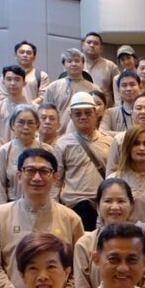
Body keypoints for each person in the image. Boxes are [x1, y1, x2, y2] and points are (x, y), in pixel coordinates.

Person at [0, 148, 84, 288]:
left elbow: (78, 268)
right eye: (30, 171)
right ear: (19, 176)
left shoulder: (71, 219)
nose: (37, 177)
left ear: (55, 177)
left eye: (44, 171)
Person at [54, 91, 112, 230]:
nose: (83, 117)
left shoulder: (110, 142)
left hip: (101, 206)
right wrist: (54, 208)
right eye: (78, 114)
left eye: (88, 113)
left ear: (96, 113)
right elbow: (56, 181)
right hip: (72, 206)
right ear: (71, 116)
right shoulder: (62, 144)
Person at [72, 179, 138, 288]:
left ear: (131, 206)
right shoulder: (84, 244)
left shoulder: (144, 242)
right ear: (98, 207)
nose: (115, 207)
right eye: (108, 201)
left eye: (121, 201)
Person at [0, 106, 46, 205]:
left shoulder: (46, 150)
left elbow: (52, 183)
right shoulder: (4, 151)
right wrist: (1, 210)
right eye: (21, 122)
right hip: (12, 205)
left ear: (37, 125)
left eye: (30, 123)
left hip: (40, 205)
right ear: (13, 124)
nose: (25, 127)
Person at [43, 48, 98, 127]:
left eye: (77, 61)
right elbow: (45, 112)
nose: (73, 64)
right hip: (59, 132)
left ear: (83, 64)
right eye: (69, 61)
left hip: (86, 131)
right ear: (64, 65)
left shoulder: (94, 88)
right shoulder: (53, 87)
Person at [0, 65, 35, 143]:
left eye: (17, 79)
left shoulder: (34, 108)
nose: (12, 83)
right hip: (2, 149)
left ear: (24, 83)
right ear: (3, 82)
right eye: (9, 79)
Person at [81, 32, 119, 105]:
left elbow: (118, 91)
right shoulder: (75, 65)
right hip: (81, 108)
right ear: (83, 45)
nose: (92, 45)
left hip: (105, 109)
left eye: (96, 43)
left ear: (101, 48)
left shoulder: (110, 66)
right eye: (89, 42)